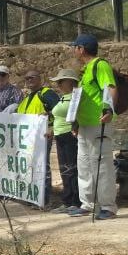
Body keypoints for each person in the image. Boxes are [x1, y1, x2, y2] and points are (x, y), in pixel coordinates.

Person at [67, 34, 118, 220]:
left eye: (75, 47)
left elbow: (110, 87)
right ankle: (88, 204)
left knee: (102, 165)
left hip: (99, 124)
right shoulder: (85, 70)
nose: (73, 51)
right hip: (85, 125)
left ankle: (108, 207)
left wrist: (108, 110)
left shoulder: (100, 65)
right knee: (85, 165)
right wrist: (76, 121)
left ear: (81, 49)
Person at [19, 70, 61, 209]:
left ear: (39, 79)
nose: (29, 80)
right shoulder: (27, 99)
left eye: (32, 77)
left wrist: (52, 128)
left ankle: (45, 199)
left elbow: (59, 111)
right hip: (29, 139)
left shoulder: (46, 93)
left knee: (43, 166)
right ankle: (34, 196)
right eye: (27, 78)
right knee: (32, 167)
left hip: (43, 136)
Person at [48, 69, 81, 213]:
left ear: (71, 81)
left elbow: (78, 115)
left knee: (72, 168)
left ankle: (75, 201)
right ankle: (67, 201)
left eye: (61, 81)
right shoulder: (63, 97)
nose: (58, 84)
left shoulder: (77, 96)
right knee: (65, 170)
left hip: (70, 135)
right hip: (60, 135)